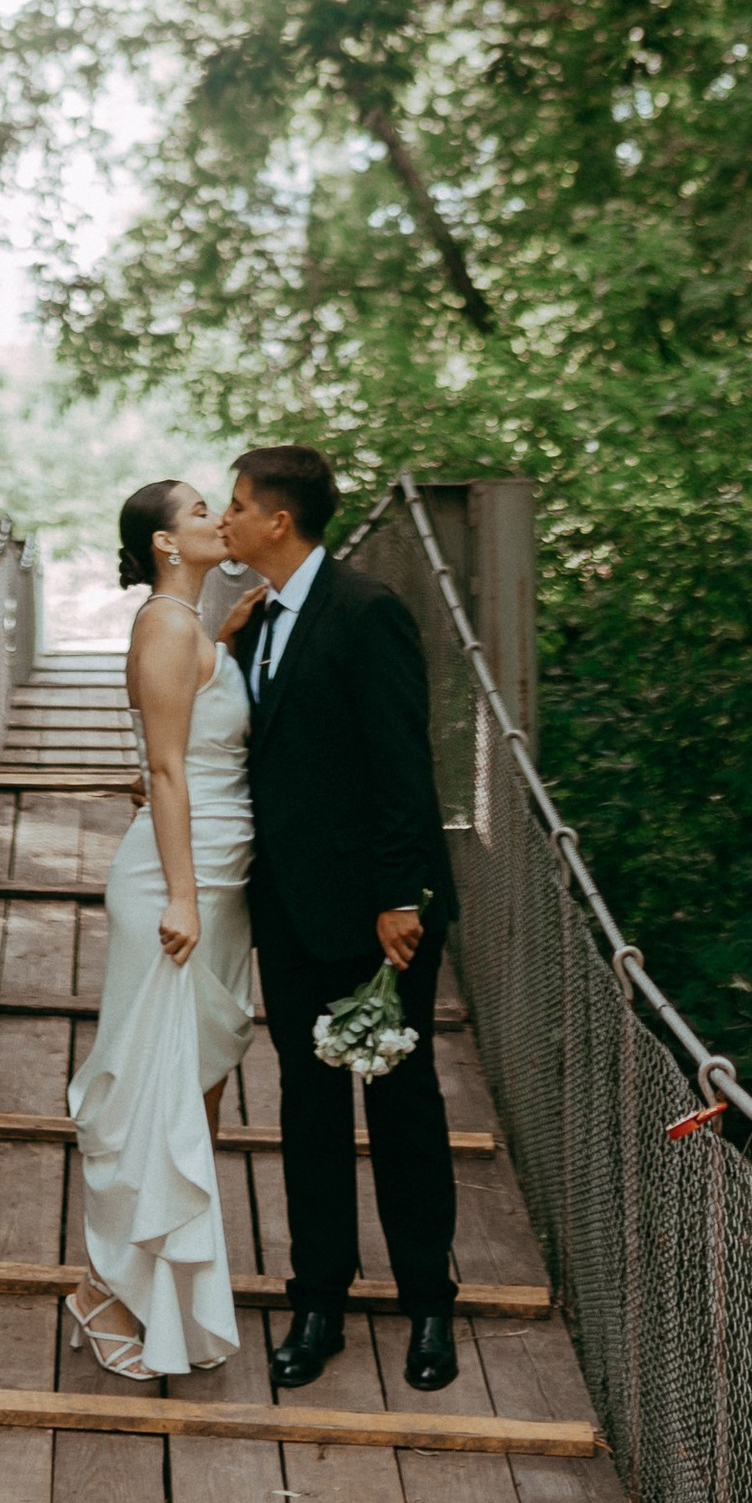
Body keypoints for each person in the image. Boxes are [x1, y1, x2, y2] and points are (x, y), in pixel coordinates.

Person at [221, 440, 461, 1394]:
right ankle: (317, 1301)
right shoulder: (253, 622)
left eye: (238, 506)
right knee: (308, 1107)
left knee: (403, 1109)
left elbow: (402, 763)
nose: (227, 519)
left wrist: (399, 899)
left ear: (279, 520)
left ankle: (428, 1305)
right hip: (286, 910)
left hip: (377, 919)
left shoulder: (368, 610)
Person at [64, 479, 263, 1376]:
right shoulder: (167, 626)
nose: (219, 519)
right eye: (200, 512)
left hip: (222, 875)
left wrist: (229, 641)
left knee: (194, 1083)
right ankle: (102, 1290)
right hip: (181, 881)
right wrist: (180, 895)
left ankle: (165, 1299)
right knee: (148, 1086)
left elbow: (200, 713)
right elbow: (168, 770)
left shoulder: (192, 629)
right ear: (165, 544)